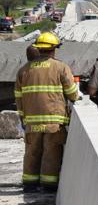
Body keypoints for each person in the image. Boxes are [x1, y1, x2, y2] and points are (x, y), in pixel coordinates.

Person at [15, 32, 78, 193]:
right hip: (53, 122)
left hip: (31, 122)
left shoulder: (23, 71)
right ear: (53, 49)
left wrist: (23, 118)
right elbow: (73, 94)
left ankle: (29, 184)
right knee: (52, 153)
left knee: (32, 153)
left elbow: (19, 99)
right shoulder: (60, 67)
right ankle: (49, 186)